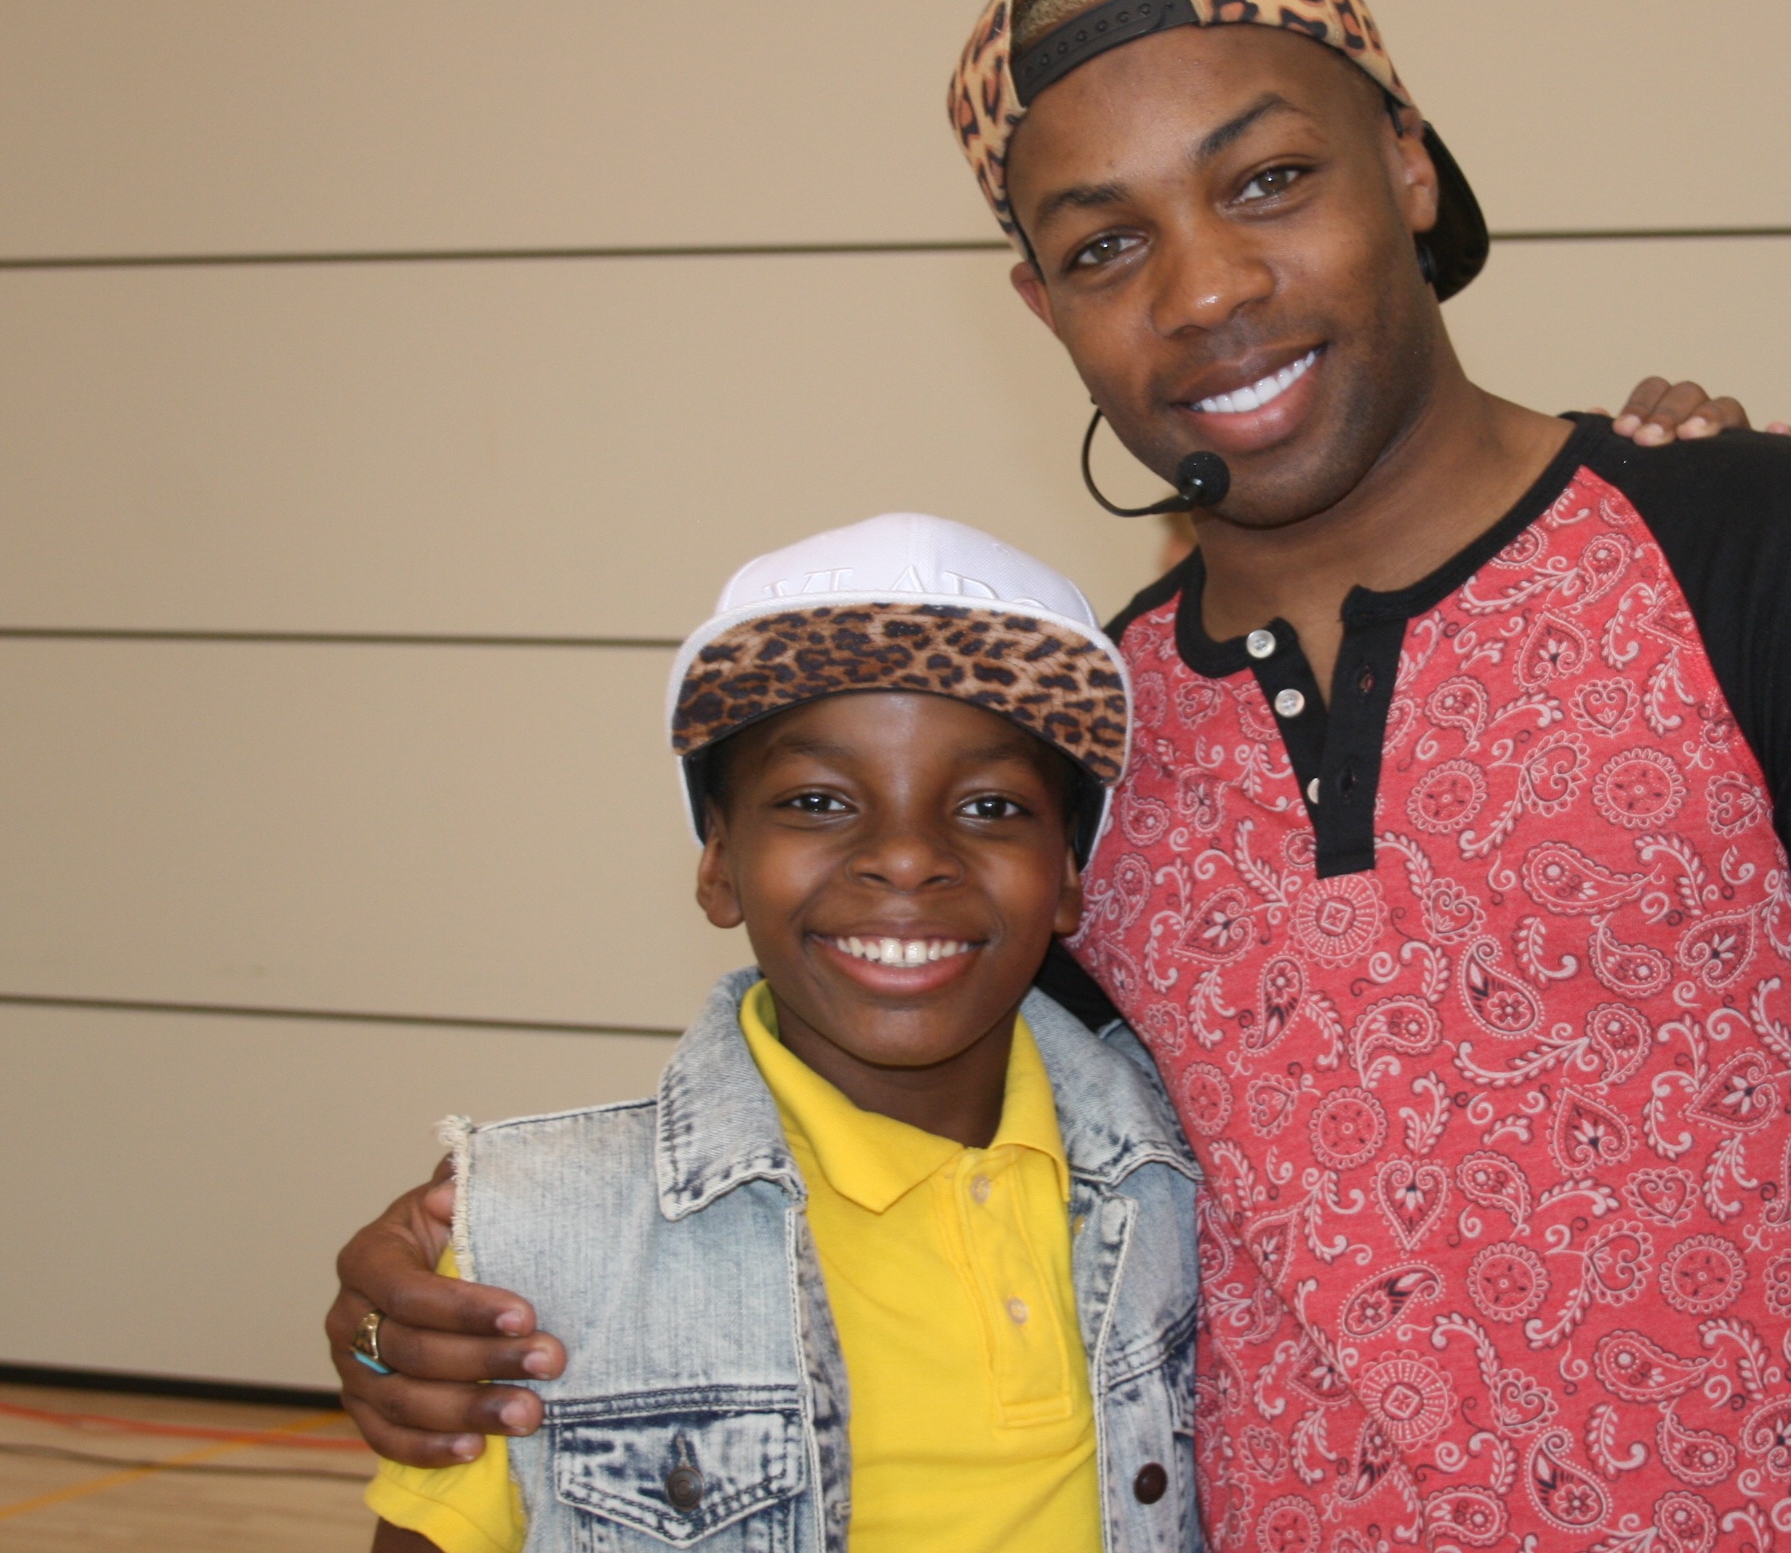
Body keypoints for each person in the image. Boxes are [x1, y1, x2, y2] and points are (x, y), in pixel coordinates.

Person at [335, 0, 1791, 1553]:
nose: (1204, 288)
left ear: (1411, 165)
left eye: (1267, 180)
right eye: (1106, 244)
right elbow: (873, 1114)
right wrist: (463, 1258)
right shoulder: (1078, 745)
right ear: (1041, 307)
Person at [359, 513, 1202, 1553]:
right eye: (816, 799)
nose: (906, 857)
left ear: (1069, 875)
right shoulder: (538, 1232)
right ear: (718, 861)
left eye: (987, 805)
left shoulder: (1188, 1184)